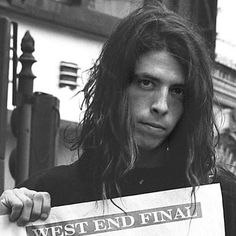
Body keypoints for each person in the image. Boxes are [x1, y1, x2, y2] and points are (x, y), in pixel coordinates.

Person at [1, 2, 236, 235]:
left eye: (177, 91)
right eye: (147, 83)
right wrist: (6, 221)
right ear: (115, 89)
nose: (161, 106)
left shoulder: (220, 198)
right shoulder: (50, 198)